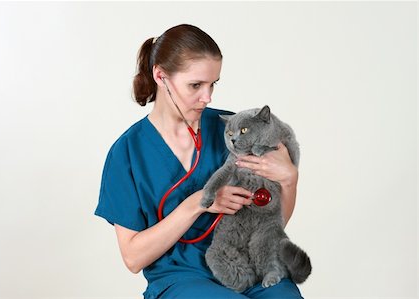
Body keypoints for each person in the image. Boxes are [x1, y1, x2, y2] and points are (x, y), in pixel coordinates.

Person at [95, 24, 303, 299]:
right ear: (161, 76)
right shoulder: (127, 154)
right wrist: (197, 203)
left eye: (212, 84)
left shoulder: (232, 132)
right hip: (182, 279)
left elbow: (271, 223)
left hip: (247, 266)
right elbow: (133, 258)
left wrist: (289, 180)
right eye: (195, 85)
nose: (207, 97)